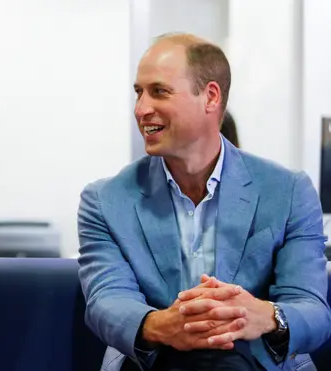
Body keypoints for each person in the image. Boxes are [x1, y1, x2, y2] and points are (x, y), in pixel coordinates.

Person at [77, 33, 330, 371]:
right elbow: (107, 301)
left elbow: (312, 309)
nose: (141, 109)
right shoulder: (104, 200)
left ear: (210, 96)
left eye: (159, 91)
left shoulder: (289, 191)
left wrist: (262, 315)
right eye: (139, 93)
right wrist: (163, 325)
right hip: (155, 364)